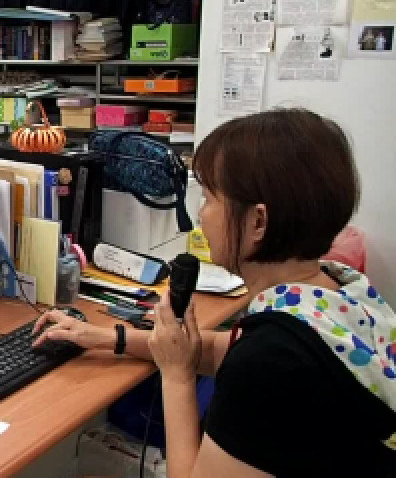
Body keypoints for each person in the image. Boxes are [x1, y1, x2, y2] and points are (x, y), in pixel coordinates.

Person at [33, 109, 396, 476]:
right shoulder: (337, 289)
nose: (201, 215)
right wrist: (109, 338)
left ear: (257, 221)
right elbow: (229, 348)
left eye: (208, 198)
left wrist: (177, 376)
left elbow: (254, 362)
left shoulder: (272, 360)